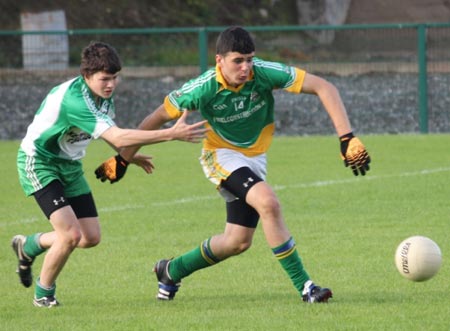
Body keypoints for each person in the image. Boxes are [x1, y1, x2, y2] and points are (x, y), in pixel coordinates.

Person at [96, 26, 371, 303]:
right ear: (219, 60)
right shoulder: (202, 88)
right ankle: (306, 287)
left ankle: (170, 270)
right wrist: (124, 159)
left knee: (237, 241)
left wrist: (346, 137)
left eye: (249, 59)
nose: (245, 67)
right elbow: (154, 119)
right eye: (238, 61)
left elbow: (325, 87)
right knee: (268, 203)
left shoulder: (263, 73)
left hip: (254, 159)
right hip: (221, 155)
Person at [12, 41, 207, 308]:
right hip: (40, 162)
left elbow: (110, 133)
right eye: (105, 79)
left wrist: (130, 156)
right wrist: (171, 133)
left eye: (115, 78)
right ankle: (43, 295)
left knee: (90, 237)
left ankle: (30, 246)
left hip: (69, 166)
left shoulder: (101, 97)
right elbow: (117, 134)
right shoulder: (75, 100)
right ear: (86, 76)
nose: (111, 84)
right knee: (70, 235)